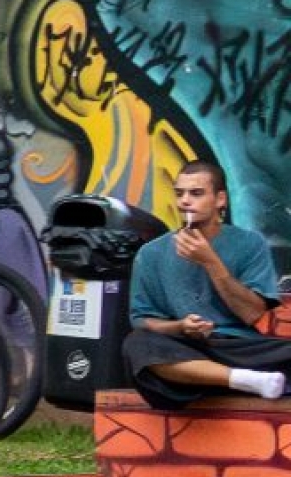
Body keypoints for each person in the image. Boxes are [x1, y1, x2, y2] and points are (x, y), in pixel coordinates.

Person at [123, 160, 291, 405]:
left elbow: (252, 313)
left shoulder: (250, 243)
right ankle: (245, 380)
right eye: (179, 194)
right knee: (138, 345)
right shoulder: (151, 254)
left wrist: (211, 262)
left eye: (196, 193)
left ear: (220, 199)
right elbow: (142, 320)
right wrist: (181, 326)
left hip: (241, 349)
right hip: (189, 350)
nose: (185, 201)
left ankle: (235, 379)